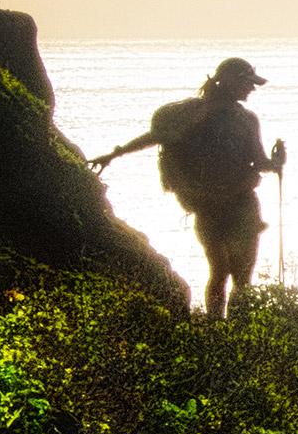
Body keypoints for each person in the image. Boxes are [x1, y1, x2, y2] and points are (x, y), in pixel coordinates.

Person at [89, 57, 287, 319]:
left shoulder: (204, 114)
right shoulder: (243, 119)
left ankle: (216, 328)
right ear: (230, 82)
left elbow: (154, 137)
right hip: (239, 206)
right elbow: (261, 163)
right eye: (248, 83)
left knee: (219, 273)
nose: (252, 88)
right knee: (240, 278)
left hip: (208, 207)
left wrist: (113, 155)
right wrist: (277, 162)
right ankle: (238, 333)